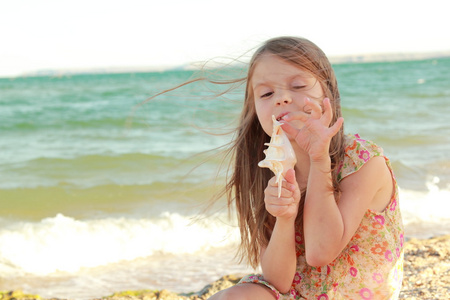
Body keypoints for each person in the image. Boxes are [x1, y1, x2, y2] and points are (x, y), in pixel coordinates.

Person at [206, 37, 404, 299]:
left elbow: (321, 253)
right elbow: (279, 281)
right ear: (254, 109)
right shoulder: (272, 168)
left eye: (298, 86)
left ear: (328, 94)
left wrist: (319, 159)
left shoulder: (363, 160)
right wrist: (285, 218)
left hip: (353, 295)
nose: (282, 99)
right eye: (266, 94)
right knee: (231, 296)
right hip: (298, 294)